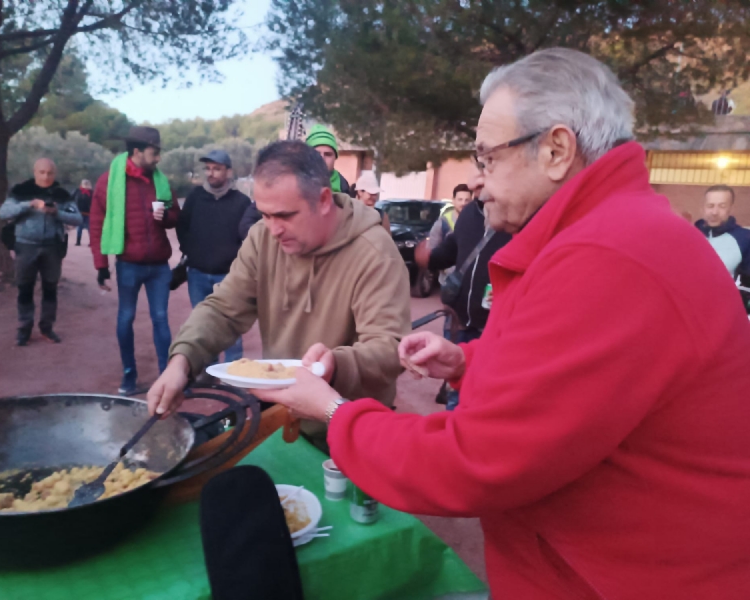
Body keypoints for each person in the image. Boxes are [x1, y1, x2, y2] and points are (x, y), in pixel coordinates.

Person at [253, 48, 750, 598]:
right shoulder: (609, 233)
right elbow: (578, 376)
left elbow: (475, 462)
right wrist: (468, 359)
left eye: (487, 158)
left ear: (557, 149)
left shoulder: (610, 255)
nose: (479, 182)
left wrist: (333, 410)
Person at [147, 140, 410, 451]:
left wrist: (333, 365)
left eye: (284, 215)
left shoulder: (375, 252)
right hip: (280, 418)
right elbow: (223, 309)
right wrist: (182, 361)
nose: (273, 229)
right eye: (265, 215)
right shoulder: (262, 239)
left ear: (324, 200)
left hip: (350, 428)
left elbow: (389, 348)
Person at [89, 126, 180, 395]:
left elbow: (176, 216)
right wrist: (101, 265)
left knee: (161, 318)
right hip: (128, 264)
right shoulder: (109, 181)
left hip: (159, 265)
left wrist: (167, 217)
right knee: (126, 318)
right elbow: (96, 223)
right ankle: (129, 375)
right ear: (137, 151)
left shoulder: (160, 181)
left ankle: (166, 375)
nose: (158, 159)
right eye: (154, 153)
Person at [416, 189, 510, 410]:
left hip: (493, 324)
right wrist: (429, 259)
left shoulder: (517, 215)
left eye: (488, 163)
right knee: (455, 393)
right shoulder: (469, 214)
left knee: (486, 392)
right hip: (458, 320)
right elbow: (451, 251)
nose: (475, 181)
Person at [177, 149, 251, 363]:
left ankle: (233, 374)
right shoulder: (195, 197)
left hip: (229, 277)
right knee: (202, 325)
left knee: (231, 326)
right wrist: (191, 251)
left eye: (217, 169)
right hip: (197, 274)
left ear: (228, 172)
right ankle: (207, 371)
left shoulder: (241, 202)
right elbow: (183, 227)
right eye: (208, 169)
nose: (211, 173)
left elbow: (247, 238)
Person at [0, 158, 82, 346]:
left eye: (50, 173)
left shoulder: (61, 194)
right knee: (25, 288)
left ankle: (47, 328)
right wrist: (28, 205)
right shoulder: (21, 191)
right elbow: (3, 212)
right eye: (42, 172)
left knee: (50, 289)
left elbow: (77, 218)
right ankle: (24, 329)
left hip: (52, 247)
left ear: (55, 174)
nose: (46, 176)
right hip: (25, 246)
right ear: (35, 172)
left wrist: (57, 213)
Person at [694, 184, 750, 279]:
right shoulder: (689, 235)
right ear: (703, 208)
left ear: (731, 209)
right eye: (710, 206)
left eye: (722, 206)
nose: (715, 212)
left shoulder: (744, 239)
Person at [305, 124, 351, 194]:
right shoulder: (296, 178)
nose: (322, 158)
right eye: (316, 153)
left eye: (328, 154)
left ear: (335, 158)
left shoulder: (342, 184)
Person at [428, 184, 472, 249]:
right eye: (460, 199)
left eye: (467, 200)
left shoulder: (476, 221)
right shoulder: (443, 222)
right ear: (453, 200)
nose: (463, 203)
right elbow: (432, 250)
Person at [73, 179, 93, 246]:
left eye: (87, 183)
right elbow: (71, 198)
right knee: (79, 228)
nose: (86, 184)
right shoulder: (77, 191)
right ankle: (78, 241)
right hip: (79, 212)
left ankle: (91, 242)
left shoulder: (91, 192)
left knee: (89, 228)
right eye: (84, 183)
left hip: (88, 213)